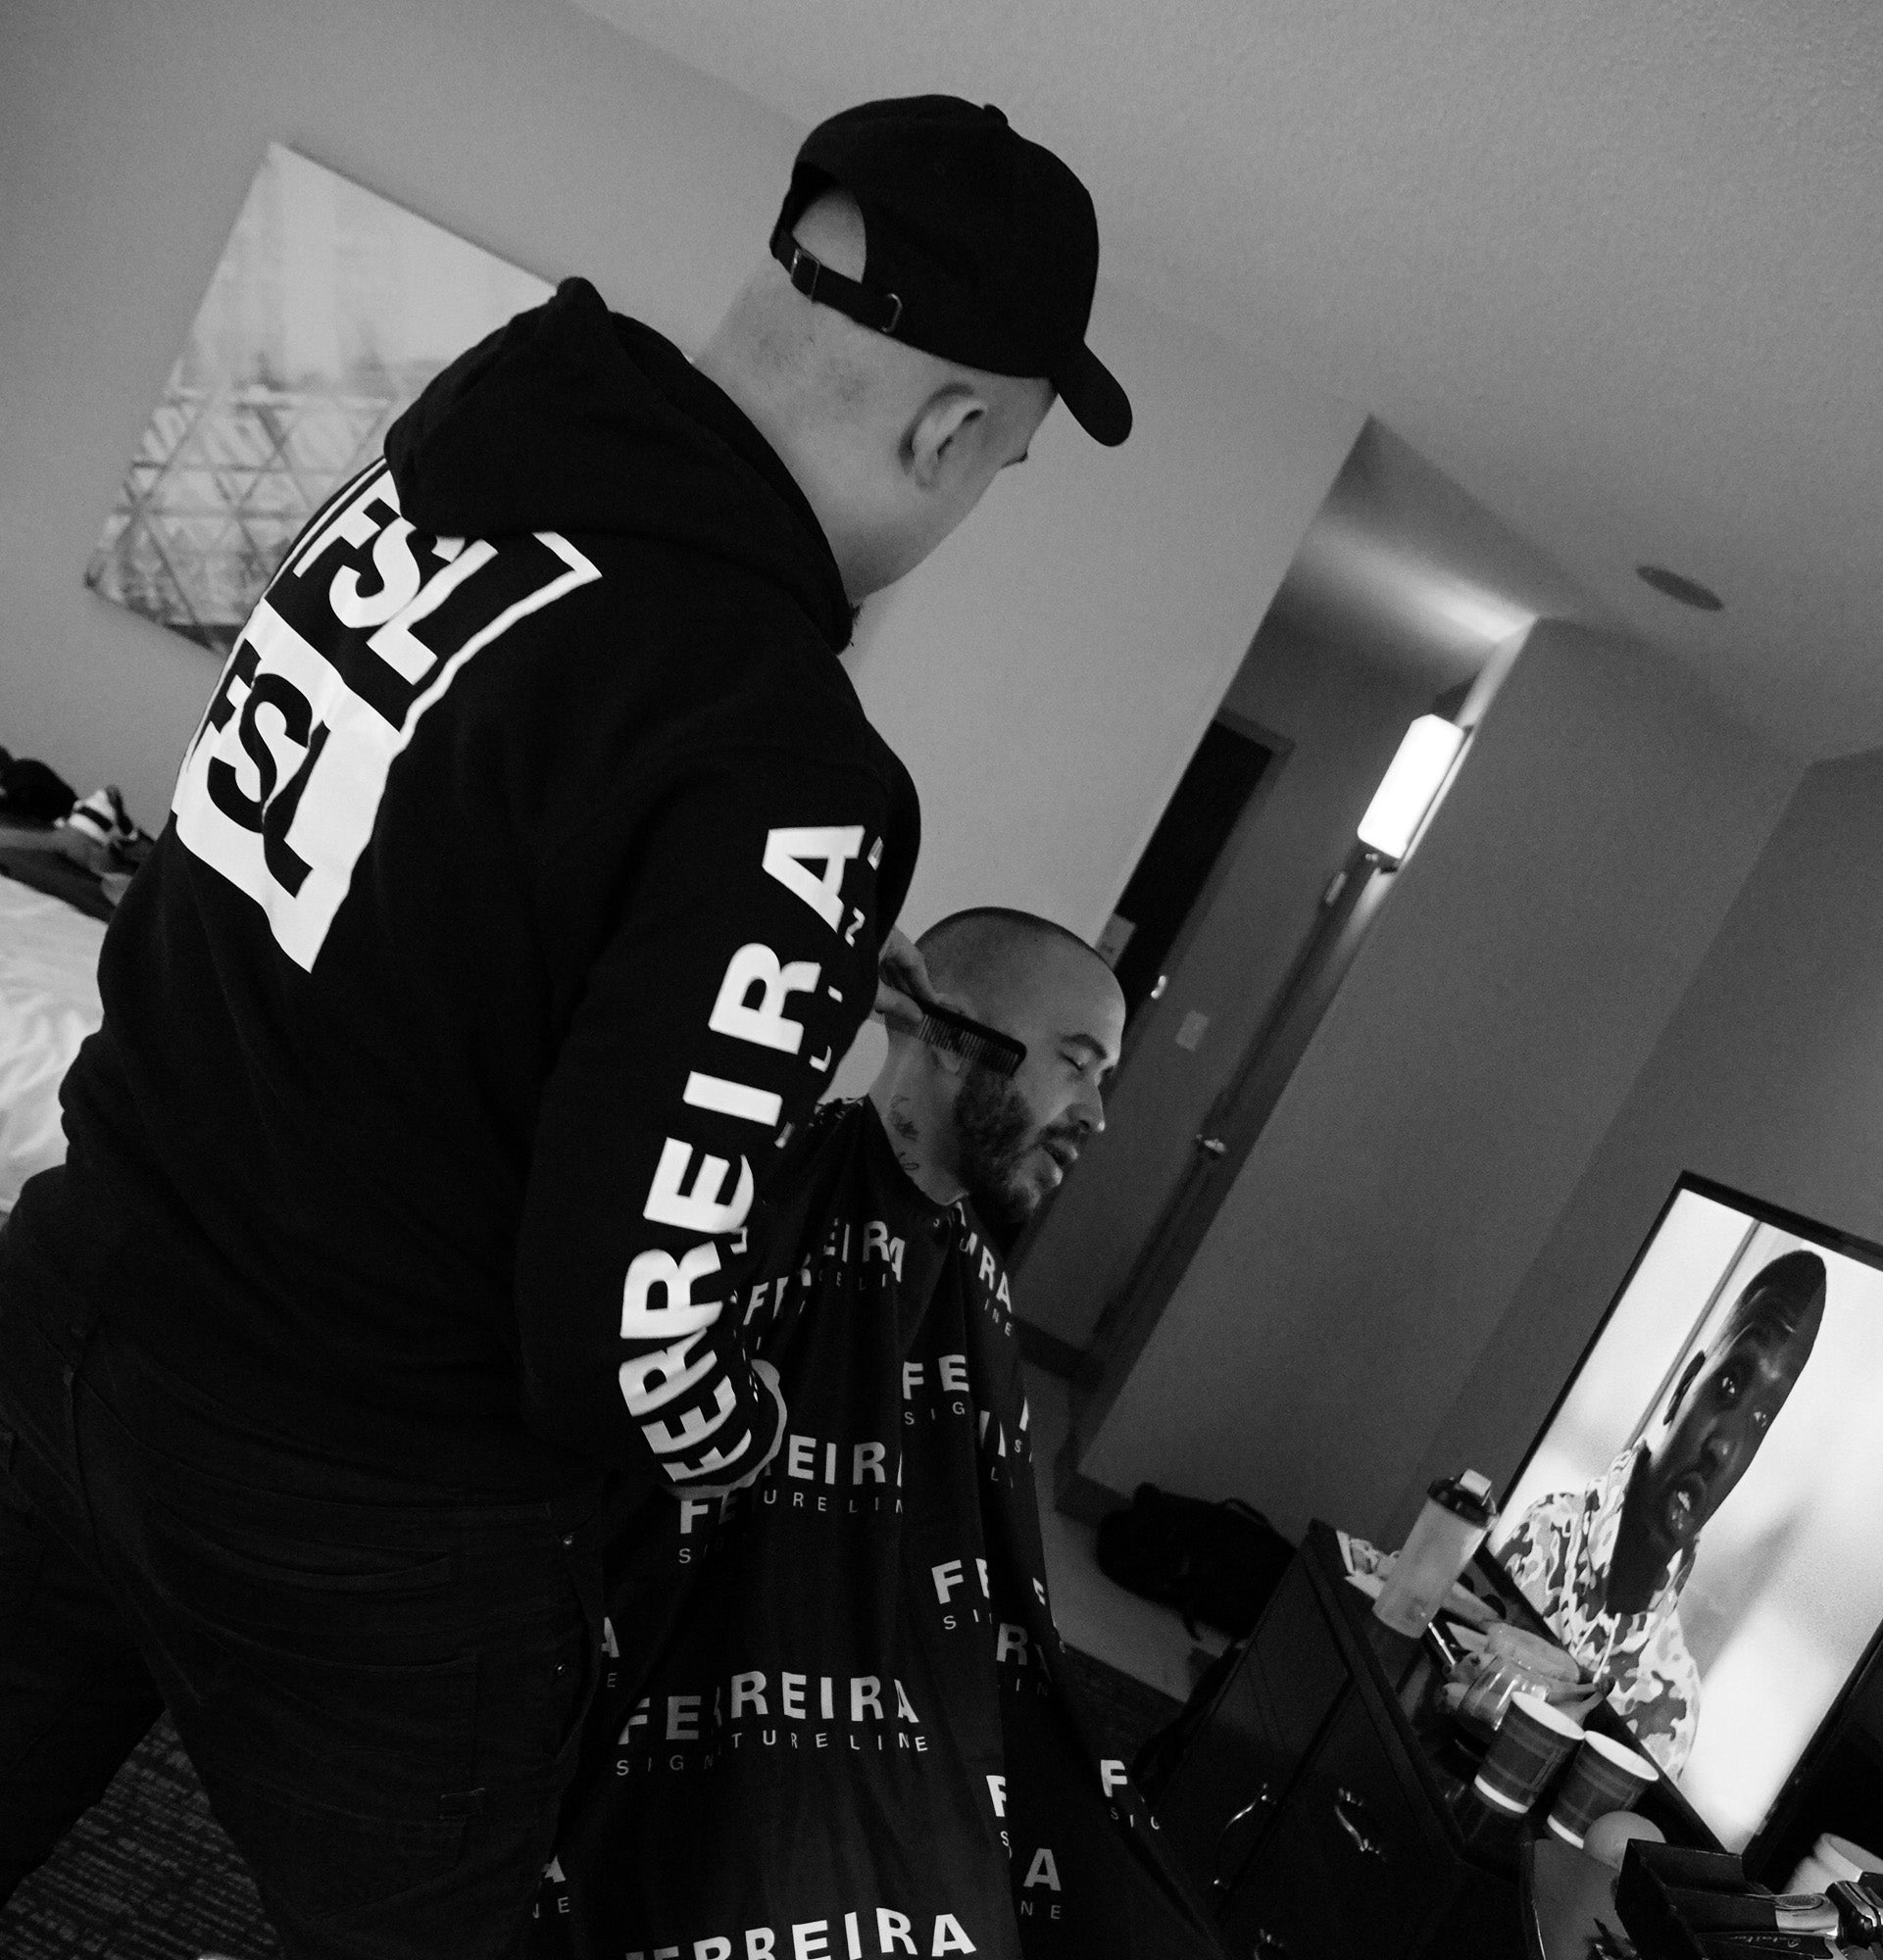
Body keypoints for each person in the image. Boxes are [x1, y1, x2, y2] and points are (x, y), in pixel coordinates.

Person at [0, 97, 1129, 1960]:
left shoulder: (432, 476)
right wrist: (749, 1423)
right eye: (1001, 459)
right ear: (951, 429)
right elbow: (623, 1330)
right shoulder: (786, 763)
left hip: (72, 1305)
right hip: (351, 1491)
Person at [533, 908, 1223, 1958]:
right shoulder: (749, 1197)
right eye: (1074, 1065)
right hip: (697, 1702)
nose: (1093, 1113)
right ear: (943, 1032)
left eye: (1103, 1079)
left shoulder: (975, 1285)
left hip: (906, 1716)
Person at [1494, 1250, 1828, 1775]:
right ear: (1683, 1387)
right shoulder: (1547, 1536)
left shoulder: (1673, 1700)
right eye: (1731, 1386)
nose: (1724, 1448)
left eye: (1760, 1420)